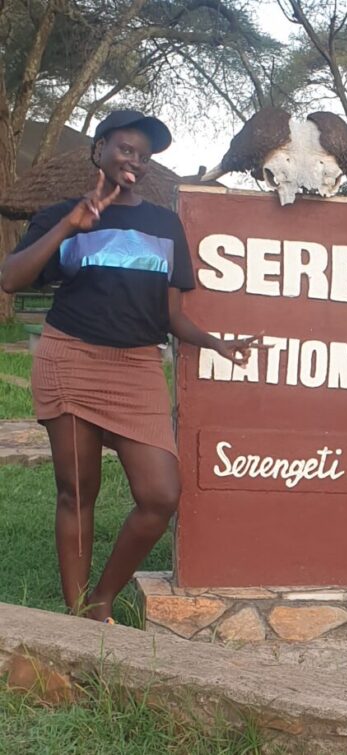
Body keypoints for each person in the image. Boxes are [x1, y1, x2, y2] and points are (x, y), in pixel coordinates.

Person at [0, 110, 257, 623]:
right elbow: (12, 278)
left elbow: (172, 316)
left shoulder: (165, 225)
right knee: (78, 490)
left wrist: (214, 343)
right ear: (99, 150)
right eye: (124, 148)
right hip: (70, 358)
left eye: (143, 154)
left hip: (137, 370)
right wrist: (71, 225)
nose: (134, 160)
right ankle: (80, 613)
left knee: (161, 494)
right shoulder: (59, 214)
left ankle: (103, 595)